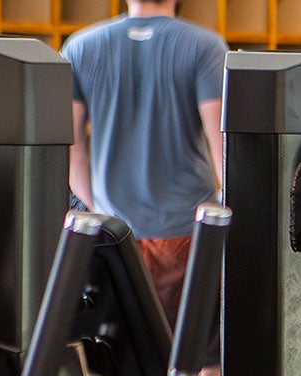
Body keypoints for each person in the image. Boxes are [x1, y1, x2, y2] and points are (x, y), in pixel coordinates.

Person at [63, 0, 228, 327]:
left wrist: (101, 210)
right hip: (186, 235)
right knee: (194, 357)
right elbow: (224, 146)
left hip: (113, 236)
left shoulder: (80, 46)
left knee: (123, 359)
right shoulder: (206, 47)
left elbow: (70, 148)